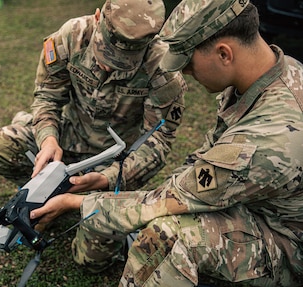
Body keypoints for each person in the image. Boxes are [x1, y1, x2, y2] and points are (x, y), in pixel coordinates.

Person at [30, 0, 303, 286]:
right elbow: (200, 163)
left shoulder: (269, 137)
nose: (184, 71)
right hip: (253, 208)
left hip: (285, 243)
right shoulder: (269, 76)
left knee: (166, 236)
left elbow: (173, 198)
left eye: (188, 62)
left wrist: (77, 203)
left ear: (224, 54)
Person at [0, 0, 187, 221]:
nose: (109, 65)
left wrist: (108, 178)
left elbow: (156, 143)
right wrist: (48, 138)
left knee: (98, 236)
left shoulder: (164, 70)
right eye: (103, 50)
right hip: (69, 137)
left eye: (124, 61)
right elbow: (47, 95)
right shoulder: (71, 36)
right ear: (98, 18)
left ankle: (70, 201)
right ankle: (45, 194)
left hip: (114, 161)